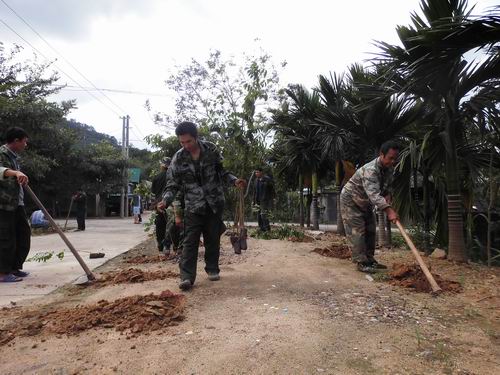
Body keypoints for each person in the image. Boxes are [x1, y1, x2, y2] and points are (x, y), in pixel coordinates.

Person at [158, 121, 246, 290]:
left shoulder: (211, 150)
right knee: (190, 241)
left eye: (188, 141)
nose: (185, 145)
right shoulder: (178, 158)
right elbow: (172, 184)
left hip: (214, 202)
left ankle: (212, 269)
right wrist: (166, 200)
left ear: (196, 137)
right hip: (193, 205)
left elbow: (223, 171)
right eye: (181, 142)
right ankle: (186, 277)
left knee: (212, 238)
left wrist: (234, 181)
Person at [340, 140, 400, 273]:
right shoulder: (370, 170)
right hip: (350, 200)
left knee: (371, 229)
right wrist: (389, 210)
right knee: (358, 230)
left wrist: (388, 195)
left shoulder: (389, 169)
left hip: (365, 200)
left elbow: (385, 188)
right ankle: (361, 262)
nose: (392, 162)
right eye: (390, 158)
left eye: (395, 159)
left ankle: (370, 260)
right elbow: (374, 195)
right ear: (381, 155)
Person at [0, 127, 31, 282]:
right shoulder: (2, 153)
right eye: (24, 142)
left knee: (23, 235)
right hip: (3, 204)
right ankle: (3, 273)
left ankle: (14, 267)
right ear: (16, 140)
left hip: (16, 203)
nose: (26, 145)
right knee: (6, 238)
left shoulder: (14, 158)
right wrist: (16, 173)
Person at [253, 167, 275, 232]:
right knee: (259, 216)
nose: (256, 173)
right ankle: (261, 229)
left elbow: (272, 189)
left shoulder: (267, 179)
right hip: (258, 201)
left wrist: (273, 198)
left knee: (263, 215)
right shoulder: (256, 180)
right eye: (255, 172)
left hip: (265, 200)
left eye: (257, 172)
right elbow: (254, 191)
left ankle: (267, 230)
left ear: (261, 172)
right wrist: (253, 200)